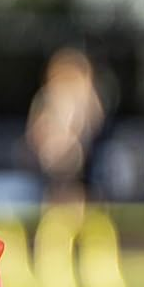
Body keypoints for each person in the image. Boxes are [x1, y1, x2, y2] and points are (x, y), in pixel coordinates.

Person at [26, 49, 104, 206]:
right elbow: (35, 131)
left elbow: (94, 123)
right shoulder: (46, 98)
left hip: (80, 164)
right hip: (52, 165)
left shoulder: (85, 100)